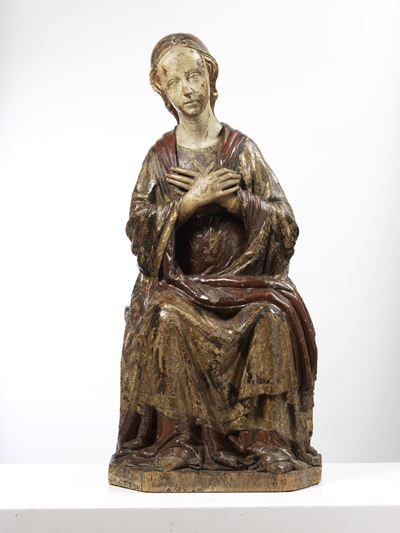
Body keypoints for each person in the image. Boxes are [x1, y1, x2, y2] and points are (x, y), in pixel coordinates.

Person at [110, 33, 321, 473]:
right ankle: (179, 439)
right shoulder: (160, 158)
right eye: (174, 82)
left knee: (272, 318)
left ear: (210, 76)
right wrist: (188, 204)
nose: (187, 89)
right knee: (165, 317)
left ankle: (265, 440)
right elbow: (138, 231)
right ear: (162, 91)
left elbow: (285, 224)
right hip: (182, 288)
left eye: (194, 75)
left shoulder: (241, 151)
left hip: (244, 286)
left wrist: (234, 202)